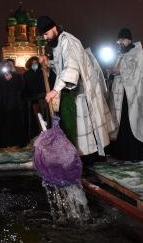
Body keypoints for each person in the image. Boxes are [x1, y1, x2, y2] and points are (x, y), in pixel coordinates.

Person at [37, 16, 116, 165]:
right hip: (74, 90)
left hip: (81, 91)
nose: (46, 38)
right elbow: (62, 67)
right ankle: (82, 159)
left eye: (46, 34)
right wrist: (49, 63)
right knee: (80, 130)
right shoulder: (59, 43)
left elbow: (71, 68)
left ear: (53, 28)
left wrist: (55, 90)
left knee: (84, 129)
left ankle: (86, 161)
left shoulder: (68, 41)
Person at [108, 28, 143, 161]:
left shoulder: (137, 53)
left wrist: (119, 70)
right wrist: (112, 71)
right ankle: (119, 152)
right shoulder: (120, 54)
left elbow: (136, 73)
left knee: (130, 123)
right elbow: (118, 70)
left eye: (121, 40)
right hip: (120, 96)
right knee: (121, 123)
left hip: (131, 96)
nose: (119, 43)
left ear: (128, 39)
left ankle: (133, 153)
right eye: (119, 40)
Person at [0, 60, 26, 148]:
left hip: (14, 104)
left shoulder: (17, 76)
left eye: (8, 66)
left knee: (14, 124)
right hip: (2, 104)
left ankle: (15, 142)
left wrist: (11, 80)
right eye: (4, 66)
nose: (6, 68)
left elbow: (22, 88)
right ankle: (3, 142)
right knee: (2, 124)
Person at [22, 56, 56, 140]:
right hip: (32, 99)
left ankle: (47, 133)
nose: (34, 64)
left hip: (43, 98)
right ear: (29, 64)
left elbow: (50, 81)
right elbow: (24, 87)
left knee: (45, 116)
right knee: (35, 118)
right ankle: (36, 134)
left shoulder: (43, 72)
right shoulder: (26, 74)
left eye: (36, 63)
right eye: (33, 63)